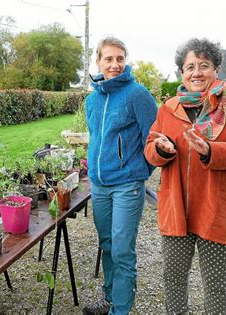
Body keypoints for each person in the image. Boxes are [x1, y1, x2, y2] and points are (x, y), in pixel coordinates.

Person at [144, 38, 226, 314]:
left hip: (217, 213)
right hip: (176, 212)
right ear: (181, 73)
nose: (196, 72)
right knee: (173, 281)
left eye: (204, 65)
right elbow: (149, 151)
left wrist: (212, 150)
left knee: (217, 286)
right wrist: (161, 150)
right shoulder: (169, 109)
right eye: (189, 67)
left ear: (216, 69)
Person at [83, 36, 158, 315]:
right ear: (99, 62)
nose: (114, 64)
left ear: (125, 61)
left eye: (119, 58)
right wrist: (94, 167)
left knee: (123, 250)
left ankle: (120, 310)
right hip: (100, 186)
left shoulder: (137, 94)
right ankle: (109, 297)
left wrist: (139, 173)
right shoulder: (92, 100)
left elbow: (154, 140)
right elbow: (96, 138)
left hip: (127, 186)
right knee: (107, 245)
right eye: (109, 59)